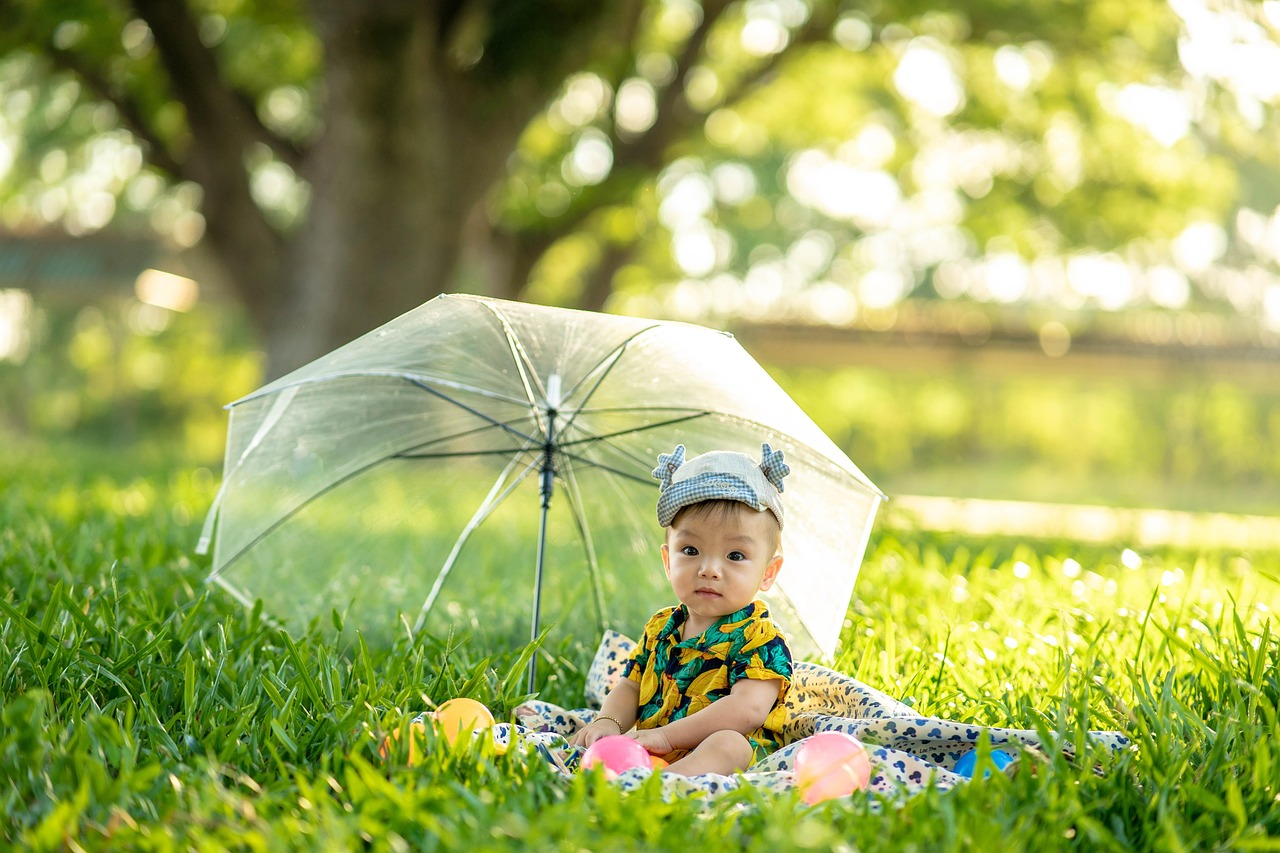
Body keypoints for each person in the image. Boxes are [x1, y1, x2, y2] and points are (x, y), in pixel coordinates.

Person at [569, 443, 794, 777]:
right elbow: (630, 685)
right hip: (654, 745)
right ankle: (638, 770)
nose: (709, 569)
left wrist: (665, 736)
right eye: (690, 549)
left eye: (735, 556)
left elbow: (747, 710)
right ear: (667, 561)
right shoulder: (661, 627)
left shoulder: (759, 639)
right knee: (607, 739)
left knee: (731, 743)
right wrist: (609, 720)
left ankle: (666, 784)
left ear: (768, 573)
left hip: (720, 753)